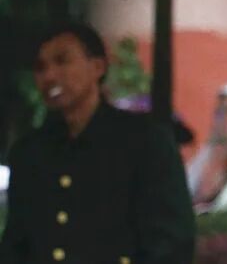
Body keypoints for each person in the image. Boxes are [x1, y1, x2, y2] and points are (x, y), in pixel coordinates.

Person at [0, 23, 195, 264]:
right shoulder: (29, 153)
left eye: (62, 61)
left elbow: (171, 243)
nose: (49, 76)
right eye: (40, 68)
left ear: (97, 67)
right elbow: (16, 247)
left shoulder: (144, 142)